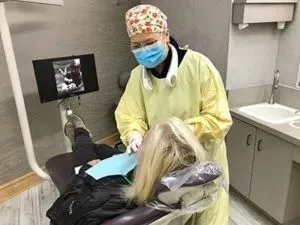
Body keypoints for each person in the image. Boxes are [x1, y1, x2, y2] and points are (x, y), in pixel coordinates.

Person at [115, 4, 233, 225]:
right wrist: (134, 135)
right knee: (172, 218)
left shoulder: (198, 66)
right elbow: (129, 115)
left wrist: (176, 133)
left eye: (149, 42)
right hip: (164, 169)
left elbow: (219, 119)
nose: (143, 50)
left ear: (166, 35)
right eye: (136, 45)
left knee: (208, 218)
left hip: (204, 164)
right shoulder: (137, 77)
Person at [47, 114, 221, 225]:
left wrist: (88, 172)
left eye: (145, 141)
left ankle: (80, 131)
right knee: (101, 148)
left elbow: (62, 214)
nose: (141, 143)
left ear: (151, 160)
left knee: (83, 148)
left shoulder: (105, 197)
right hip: (129, 172)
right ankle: (90, 141)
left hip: (92, 181)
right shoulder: (175, 175)